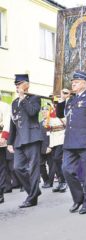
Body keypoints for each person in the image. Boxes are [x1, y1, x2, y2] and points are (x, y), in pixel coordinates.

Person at [56, 70, 86, 215]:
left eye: (76, 82)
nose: (73, 84)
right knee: (66, 170)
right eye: (72, 82)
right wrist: (62, 100)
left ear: (84, 83)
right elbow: (59, 115)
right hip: (70, 141)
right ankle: (78, 198)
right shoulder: (72, 99)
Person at [7, 74, 43, 208]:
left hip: (32, 137)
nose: (17, 87)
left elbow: (33, 113)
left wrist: (23, 97)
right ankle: (34, 190)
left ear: (27, 84)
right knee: (17, 168)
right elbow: (13, 122)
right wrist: (10, 142)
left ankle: (32, 198)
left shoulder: (35, 98)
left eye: (20, 84)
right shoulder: (14, 102)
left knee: (33, 169)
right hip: (19, 140)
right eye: (16, 85)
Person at [0, 92, 11, 203]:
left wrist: (4, 137)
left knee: (1, 167)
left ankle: (0, 192)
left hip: (0, 138)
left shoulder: (4, 106)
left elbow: (7, 123)